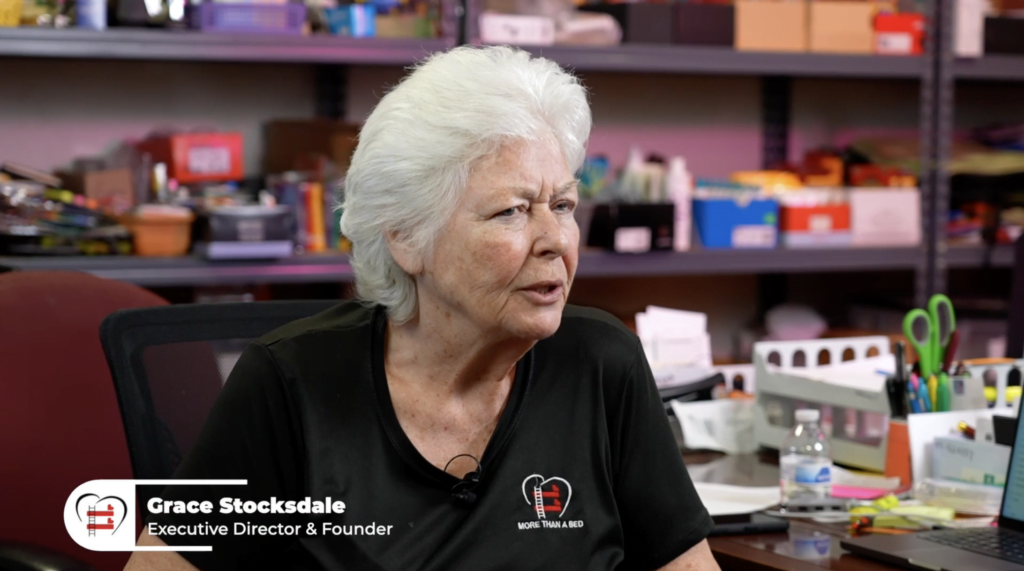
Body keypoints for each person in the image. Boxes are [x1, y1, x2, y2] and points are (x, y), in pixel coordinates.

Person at [125, 45, 718, 571]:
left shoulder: (601, 363)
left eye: (562, 205)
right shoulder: (290, 384)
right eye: (511, 211)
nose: (555, 240)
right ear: (407, 238)